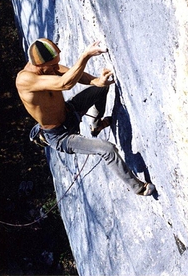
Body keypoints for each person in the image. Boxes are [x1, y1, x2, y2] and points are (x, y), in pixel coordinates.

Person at [15, 38, 155, 196]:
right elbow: (64, 83)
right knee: (107, 150)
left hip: (70, 112)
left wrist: (97, 81)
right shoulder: (25, 80)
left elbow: (74, 74)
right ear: (39, 65)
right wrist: (85, 56)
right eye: (53, 65)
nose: (56, 67)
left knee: (100, 90)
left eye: (56, 64)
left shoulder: (47, 66)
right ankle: (139, 188)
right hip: (61, 136)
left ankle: (96, 125)